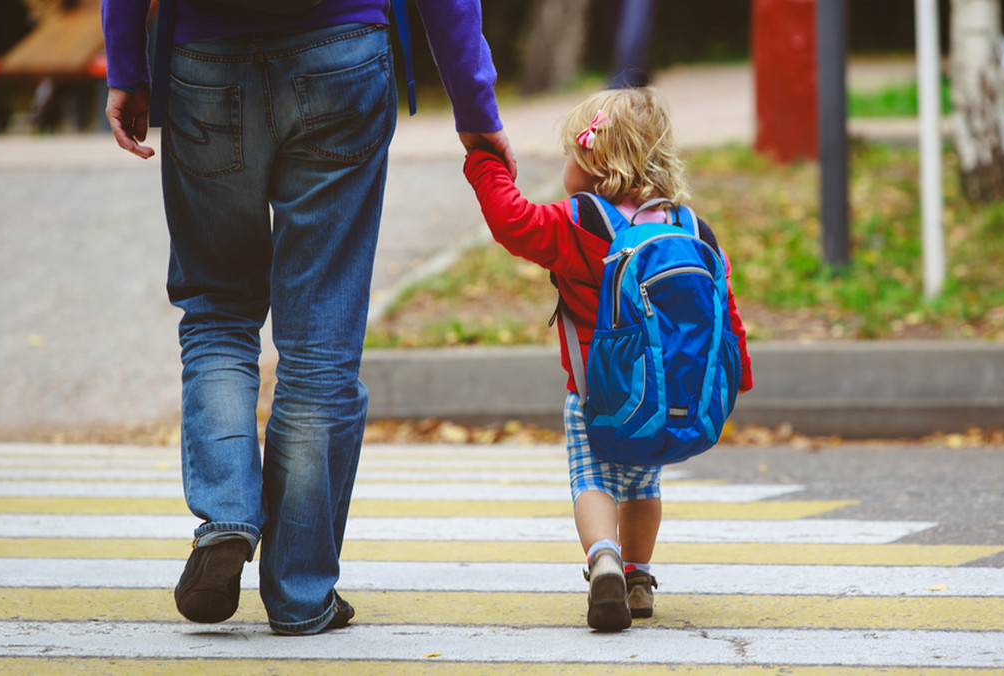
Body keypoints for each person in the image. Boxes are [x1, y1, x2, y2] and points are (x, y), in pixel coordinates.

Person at [101, 0, 514, 635]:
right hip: (342, 53)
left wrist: (127, 66)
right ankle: (300, 594)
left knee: (217, 309)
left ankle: (227, 518)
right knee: (320, 338)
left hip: (207, 59)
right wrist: (474, 105)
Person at [463, 87, 754, 631]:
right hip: (662, 396)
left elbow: (511, 221)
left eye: (570, 155)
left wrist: (484, 163)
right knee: (643, 486)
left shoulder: (581, 223)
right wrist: (738, 369)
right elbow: (723, 301)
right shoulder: (690, 229)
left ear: (595, 163)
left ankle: (604, 561)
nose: (564, 167)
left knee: (591, 479)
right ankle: (640, 576)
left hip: (594, 395)